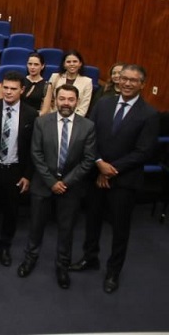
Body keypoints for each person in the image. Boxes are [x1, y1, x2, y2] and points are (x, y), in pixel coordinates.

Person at [71, 64, 159, 293]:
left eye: (133, 80)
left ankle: (113, 271)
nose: (127, 83)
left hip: (124, 181)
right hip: (95, 173)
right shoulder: (103, 104)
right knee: (92, 221)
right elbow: (89, 136)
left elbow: (144, 152)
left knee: (120, 229)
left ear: (142, 84)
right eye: (124, 79)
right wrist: (99, 164)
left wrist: (111, 169)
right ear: (118, 80)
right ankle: (90, 258)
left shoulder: (149, 114)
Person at [18, 84, 96, 289]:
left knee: (66, 229)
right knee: (36, 226)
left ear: (77, 102)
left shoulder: (87, 126)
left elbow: (88, 160)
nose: (66, 103)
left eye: (71, 99)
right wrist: (52, 182)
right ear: (55, 101)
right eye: (62, 99)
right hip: (43, 184)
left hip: (71, 187)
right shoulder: (42, 123)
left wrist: (65, 183)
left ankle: (62, 266)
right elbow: (35, 154)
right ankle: (30, 259)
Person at [0, 71, 38, 266]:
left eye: (14, 89)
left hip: (15, 171)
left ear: (22, 90)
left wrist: (28, 175)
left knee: (11, 212)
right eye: (6, 88)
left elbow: (33, 148)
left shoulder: (31, 114)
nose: (9, 92)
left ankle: (4, 247)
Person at [41, 50, 94, 117]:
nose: (72, 64)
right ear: (64, 64)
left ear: (80, 64)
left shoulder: (87, 82)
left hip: (75, 120)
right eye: (68, 62)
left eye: (75, 61)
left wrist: (70, 120)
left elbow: (83, 107)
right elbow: (47, 100)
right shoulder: (55, 77)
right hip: (53, 117)